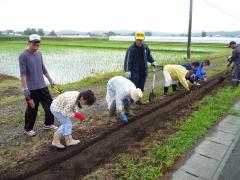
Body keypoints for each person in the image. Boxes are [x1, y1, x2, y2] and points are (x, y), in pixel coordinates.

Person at [19, 34, 58, 136]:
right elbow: (23, 74)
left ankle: (48, 124)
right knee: (32, 109)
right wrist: (25, 89)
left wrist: (51, 81)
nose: (36, 47)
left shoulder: (39, 54)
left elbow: (43, 69)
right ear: (29, 43)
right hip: (31, 88)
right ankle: (28, 128)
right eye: (34, 44)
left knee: (50, 106)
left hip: (42, 86)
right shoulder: (23, 56)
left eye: (38, 45)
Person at [124, 31, 158, 105]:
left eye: (141, 40)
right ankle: (131, 103)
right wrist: (127, 71)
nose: (139, 41)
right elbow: (128, 61)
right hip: (134, 73)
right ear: (135, 38)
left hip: (143, 71)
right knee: (133, 88)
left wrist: (153, 61)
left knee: (141, 87)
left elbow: (149, 56)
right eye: (138, 39)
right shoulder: (131, 49)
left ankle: (139, 100)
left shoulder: (145, 47)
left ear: (143, 39)